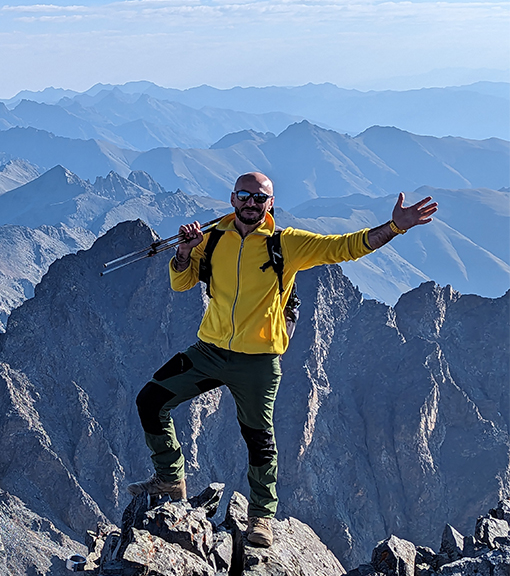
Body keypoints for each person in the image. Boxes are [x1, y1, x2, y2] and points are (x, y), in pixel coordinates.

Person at [127, 171, 437, 547]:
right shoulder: (211, 239)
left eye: (260, 198)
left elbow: (346, 246)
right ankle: (170, 479)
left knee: (258, 440)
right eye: (245, 195)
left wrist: (394, 227)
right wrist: (183, 252)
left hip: (257, 360)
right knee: (151, 400)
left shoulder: (284, 244)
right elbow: (181, 282)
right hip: (208, 351)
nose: (251, 203)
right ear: (232, 198)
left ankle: (261, 518)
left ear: (270, 204)